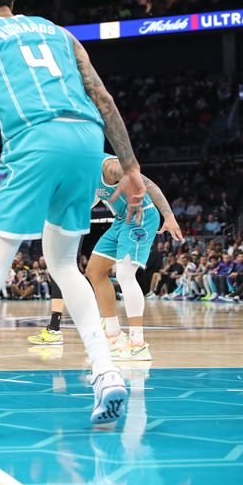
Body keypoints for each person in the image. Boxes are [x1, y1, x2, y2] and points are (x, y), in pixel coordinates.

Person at [0, 0, 146, 435]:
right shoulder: (60, 33)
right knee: (65, 264)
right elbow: (103, 99)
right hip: (87, 142)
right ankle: (106, 372)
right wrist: (130, 168)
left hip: (34, 141)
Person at [85, 154, 184, 362]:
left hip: (142, 217)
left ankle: (138, 344)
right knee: (94, 270)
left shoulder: (111, 167)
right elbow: (87, 202)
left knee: (125, 274)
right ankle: (113, 335)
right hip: (121, 220)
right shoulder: (80, 172)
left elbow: (150, 185)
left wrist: (169, 216)